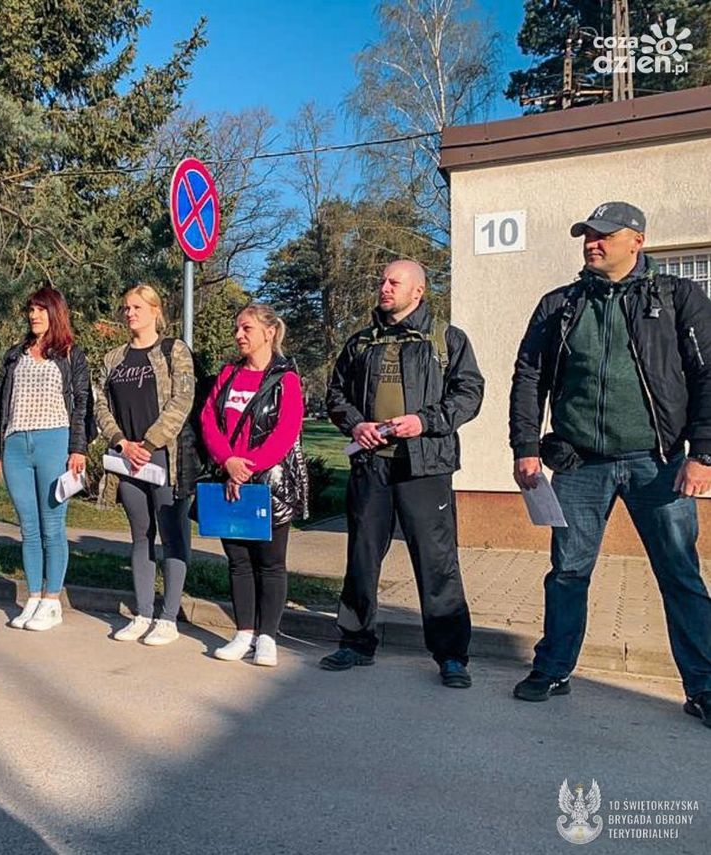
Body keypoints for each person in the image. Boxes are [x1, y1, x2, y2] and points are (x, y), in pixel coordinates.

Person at [509, 202, 711, 725]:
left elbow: (709, 376)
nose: (592, 243)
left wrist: (704, 453)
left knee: (680, 574)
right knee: (568, 572)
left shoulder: (677, 298)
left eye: (604, 235)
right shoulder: (560, 305)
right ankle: (552, 668)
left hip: (659, 463)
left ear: (637, 241)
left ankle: (704, 686)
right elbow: (528, 378)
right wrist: (525, 447)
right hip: (580, 466)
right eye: (587, 235)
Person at [323, 260, 484, 687]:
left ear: (419, 291)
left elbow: (469, 393)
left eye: (394, 282)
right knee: (361, 556)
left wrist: (426, 421)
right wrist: (355, 423)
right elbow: (335, 393)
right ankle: (355, 642)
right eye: (382, 281)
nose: (384, 287)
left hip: (425, 465)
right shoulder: (361, 343)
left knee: (437, 562)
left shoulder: (447, 340)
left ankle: (451, 656)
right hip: (370, 465)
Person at [201, 303, 307, 667]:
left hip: (268, 485)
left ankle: (268, 637)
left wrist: (248, 467)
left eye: (246, 328)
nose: (238, 335)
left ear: (269, 332)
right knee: (238, 562)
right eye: (237, 329)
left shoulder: (286, 379)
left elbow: (285, 432)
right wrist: (227, 462)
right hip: (229, 480)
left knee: (271, 563)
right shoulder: (228, 375)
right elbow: (208, 420)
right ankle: (243, 632)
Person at [95, 285, 195, 646]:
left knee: (172, 534)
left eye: (137, 307)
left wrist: (150, 443)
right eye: (125, 308)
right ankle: (143, 612)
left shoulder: (174, 351)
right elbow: (100, 406)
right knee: (140, 535)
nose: (129, 313)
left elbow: (182, 400)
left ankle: (168, 617)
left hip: (164, 456)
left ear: (156, 310)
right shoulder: (114, 358)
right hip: (127, 458)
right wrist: (123, 443)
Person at [0, 287, 91, 632]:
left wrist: (78, 448)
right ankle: (33, 596)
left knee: (52, 525)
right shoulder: (14, 355)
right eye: (30, 310)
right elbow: (1, 405)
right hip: (16, 443)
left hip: (54, 440)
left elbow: (81, 407)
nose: (34, 316)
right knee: (28, 528)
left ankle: (52, 600)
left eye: (41, 310)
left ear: (55, 313)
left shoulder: (70, 354)